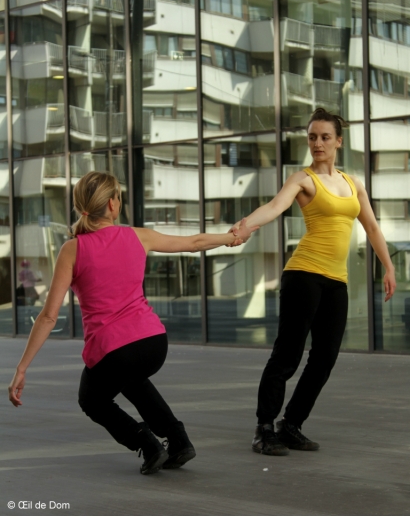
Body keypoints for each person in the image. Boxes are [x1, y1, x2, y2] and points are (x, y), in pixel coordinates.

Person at [8, 171, 258, 475]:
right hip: (153, 343)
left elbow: (48, 316)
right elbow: (194, 242)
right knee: (131, 379)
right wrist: (233, 237)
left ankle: (148, 445)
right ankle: (178, 441)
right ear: (112, 204)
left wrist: (22, 368)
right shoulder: (138, 236)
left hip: (113, 350)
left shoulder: (72, 250)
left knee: (92, 400)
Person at [230, 107, 396, 456]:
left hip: (337, 281)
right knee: (287, 355)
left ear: (338, 141)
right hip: (303, 274)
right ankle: (264, 428)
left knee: (325, 358)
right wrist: (246, 226)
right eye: (312, 137)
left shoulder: (353, 184)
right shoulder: (303, 179)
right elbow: (274, 207)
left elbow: (372, 227)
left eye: (324, 137)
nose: (317, 143)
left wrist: (388, 267)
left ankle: (291, 425)